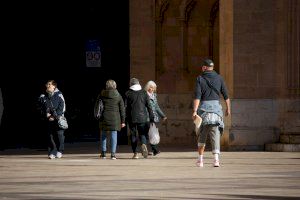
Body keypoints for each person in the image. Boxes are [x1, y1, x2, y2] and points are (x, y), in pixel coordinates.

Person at [192, 59, 231, 167]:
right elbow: (226, 95)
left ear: (204, 68)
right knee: (215, 134)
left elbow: (197, 97)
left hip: (204, 110)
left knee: (202, 134)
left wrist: (195, 111)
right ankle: (216, 160)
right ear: (212, 68)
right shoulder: (219, 78)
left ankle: (200, 160)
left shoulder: (200, 79)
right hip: (216, 110)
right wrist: (228, 108)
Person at [125, 78, 154, 159]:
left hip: (132, 118)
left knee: (133, 135)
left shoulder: (128, 93)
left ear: (131, 84)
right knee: (142, 134)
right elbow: (149, 106)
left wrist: (124, 119)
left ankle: (135, 153)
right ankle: (144, 144)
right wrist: (151, 117)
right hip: (143, 117)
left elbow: (126, 107)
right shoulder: (144, 93)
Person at [97, 79, 126, 160]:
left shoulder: (102, 94)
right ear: (115, 86)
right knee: (114, 135)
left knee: (103, 135)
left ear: (106, 86)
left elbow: (97, 106)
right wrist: (123, 121)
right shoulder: (118, 95)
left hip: (104, 117)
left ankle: (103, 153)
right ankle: (113, 154)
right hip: (115, 118)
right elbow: (122, 109)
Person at [39, 80, 67, 159]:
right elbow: (42, 107)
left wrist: (55, 116)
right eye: (47, 84)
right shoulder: (44, 95)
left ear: (54, 86)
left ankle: (60, 151)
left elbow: (62, 107)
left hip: (58, 118)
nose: (47, 86)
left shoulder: (59, 94)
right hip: (49, 119)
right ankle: (53, 151)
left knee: (60, 135)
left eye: (49, 85)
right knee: (50, 135)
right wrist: (46, 114)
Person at [144, 80, 167, 156]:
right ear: (147, 87)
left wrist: (163, 115)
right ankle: (152, 150)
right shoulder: (144, 95)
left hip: (154, 117)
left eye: (153, 88)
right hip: (146, 117)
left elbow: (157, 107)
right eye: (151, 87)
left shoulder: (154, 95)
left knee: (152, 133)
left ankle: (153, 150)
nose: (152, 89)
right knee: (148, 133)